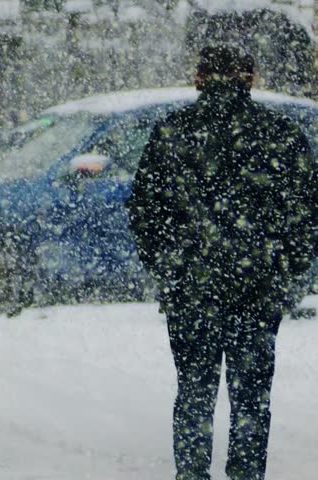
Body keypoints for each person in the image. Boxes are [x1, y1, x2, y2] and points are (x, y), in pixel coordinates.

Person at [127, 45, 317, 479]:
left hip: (192, 292)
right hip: (257, 291)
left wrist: (170, 269)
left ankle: (192, 473)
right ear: (249, 78)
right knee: (251, 398)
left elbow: (144, 213)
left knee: (194, 393)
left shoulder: (171, 134)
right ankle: (247, 474)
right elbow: (306, 217)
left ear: (198, 77)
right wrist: (282, 274)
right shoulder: (281, 137)